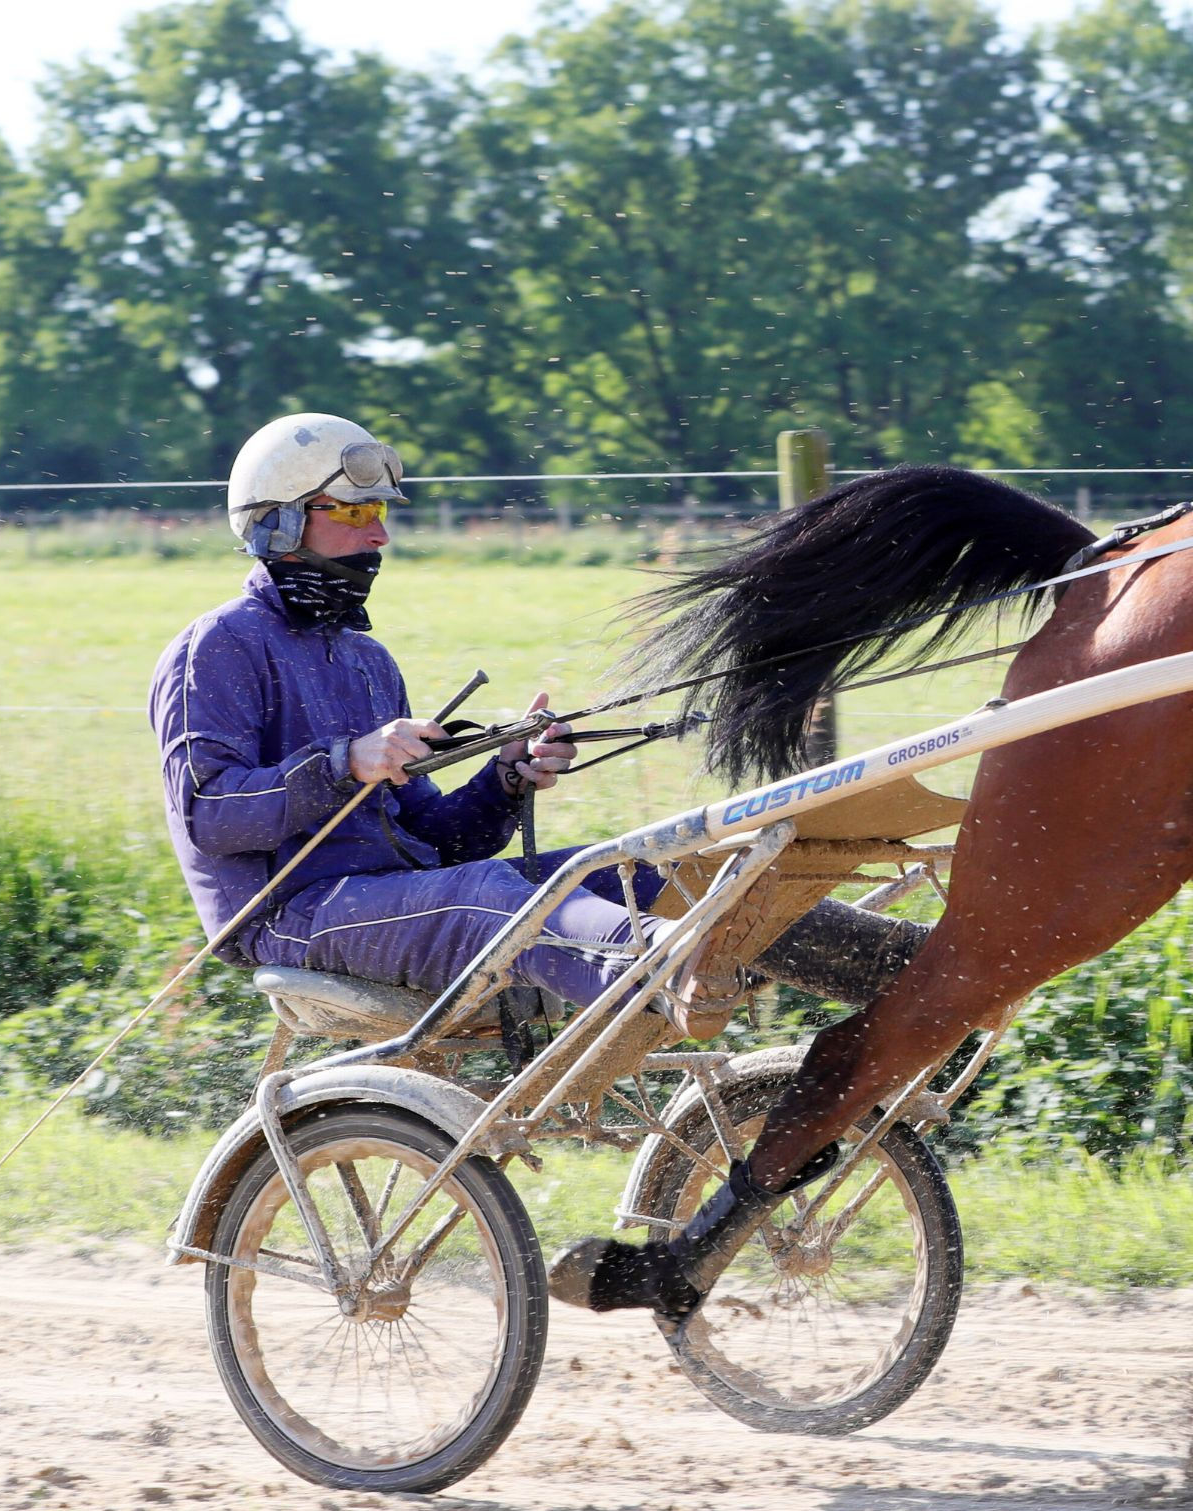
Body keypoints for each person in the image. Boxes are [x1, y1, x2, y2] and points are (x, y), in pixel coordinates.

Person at [150, 411, 924, 1066]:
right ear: (279, 520)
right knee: (495, 898)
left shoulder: (365, 660)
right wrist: (345, 763)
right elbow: (206, 815)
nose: (380, 534)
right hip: (291, 915)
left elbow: (437, 844)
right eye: (353, 514)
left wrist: (505, 779)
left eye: (381, 514)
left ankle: (906, 971)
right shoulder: (216, 646)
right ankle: (674, 963)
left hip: (387, 898)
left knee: (632, 869)